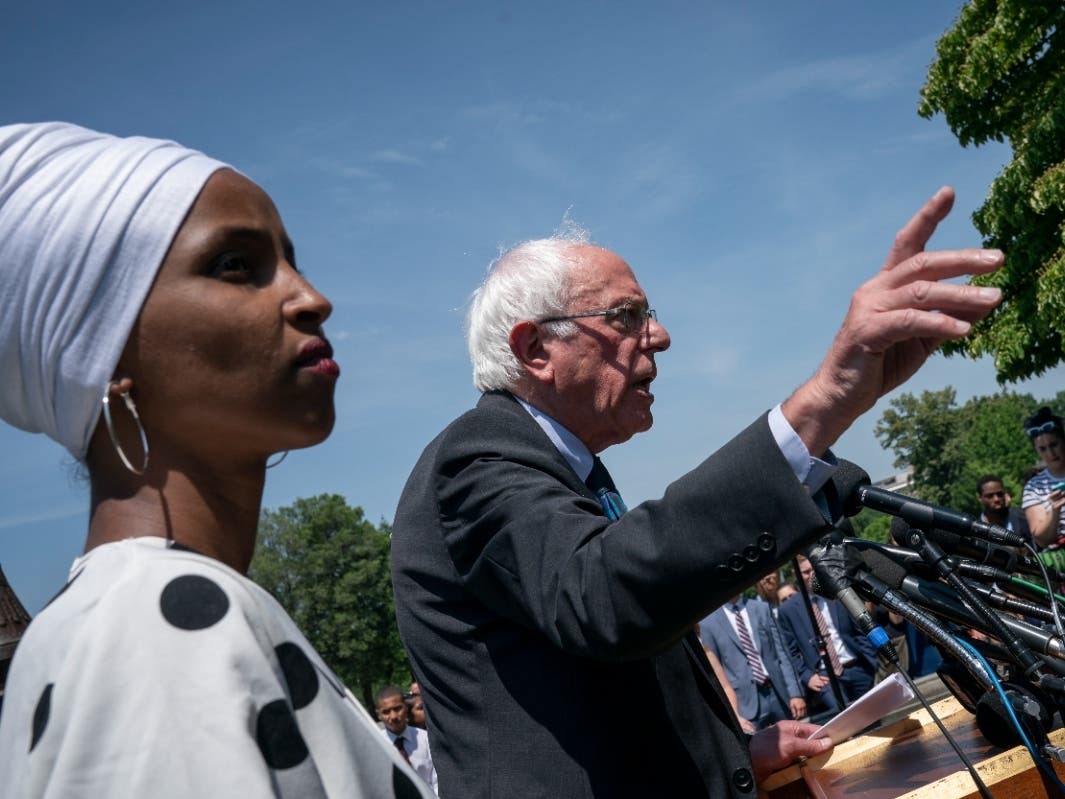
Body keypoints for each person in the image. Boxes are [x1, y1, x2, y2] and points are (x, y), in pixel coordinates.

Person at [390, 187, 1002, 798]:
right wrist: (824, 402)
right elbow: (603, 597)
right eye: (627, 316)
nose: (659, 336)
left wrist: (733, 753)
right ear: (535, 349)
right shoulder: (474, 461)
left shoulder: (570, 466)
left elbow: (614, 678)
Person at [0, 122, 433, 799]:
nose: (311, 298)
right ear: (103, 359)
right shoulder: (152, 629)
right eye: (235, 265)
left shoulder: (133, 612)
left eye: (291, 260)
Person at [778, 555, 878, 713]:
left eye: (813, 570)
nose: (811, 575)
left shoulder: (837, 595)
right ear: (796, 574)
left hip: (857, 667)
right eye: (805, 572)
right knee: (846, 720)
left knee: (873, 716)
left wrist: (871, 662)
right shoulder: (788, 610)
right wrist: (807, 676)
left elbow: (858, 630)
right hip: (825, 677)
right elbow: (791, 651)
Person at [699, 595, 806, 729]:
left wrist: (795, 693)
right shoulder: (707, 623)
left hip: (778, 693)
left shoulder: (761, 608)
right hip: (745, 703)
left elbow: (782, 653)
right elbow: (717, 671)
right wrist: (734, 713)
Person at [375, 687, 438, 794]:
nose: (393, 716)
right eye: (386, 712)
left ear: (406, 707)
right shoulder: (375, 744)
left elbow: (437, 780)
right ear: (378, 715)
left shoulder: (426, 739)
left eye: (397, 709)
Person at [1021, 408, 1065, 560]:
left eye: (1054, 445)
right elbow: (1041, 539)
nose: (1050, 453)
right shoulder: (1034, 487)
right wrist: (1055, 510)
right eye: (1042, 449)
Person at [976, 474, 1031, 542]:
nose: (996, 499)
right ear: (980, 498)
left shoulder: (1022, 517)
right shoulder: (976, 529)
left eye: (1000, 494)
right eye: (990, 496)